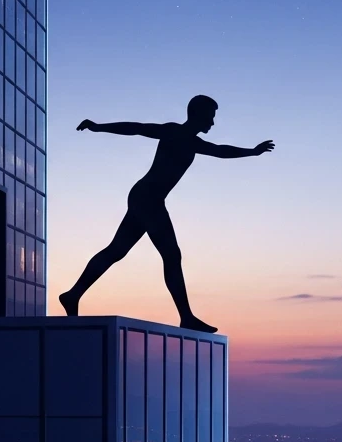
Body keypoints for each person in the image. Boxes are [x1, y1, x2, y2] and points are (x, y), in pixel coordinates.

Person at [59, 95, 275, 333]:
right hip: (148, 199)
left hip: (147, 198)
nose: (212, 123)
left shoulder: (193, 142)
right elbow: (137, 129)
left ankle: (73, 294)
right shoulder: (174, 132)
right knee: (171, 255)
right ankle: (186, 317)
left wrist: (252, 152)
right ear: (198, 114)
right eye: (211, 117)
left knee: (117, 250)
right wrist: (98, 127)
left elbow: (220, 151)